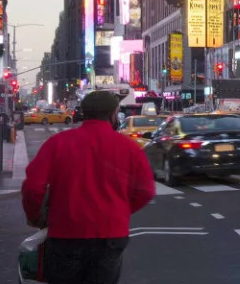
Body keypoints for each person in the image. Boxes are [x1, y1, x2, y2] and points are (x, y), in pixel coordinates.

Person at [21, 90, 154, 284]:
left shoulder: (57, 143)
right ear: (113, 114)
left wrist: (37, 217)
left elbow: (33, 187)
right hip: (110, 233)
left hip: (65, 233)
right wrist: (119, 210)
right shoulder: (130, 147)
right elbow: (145, 190)